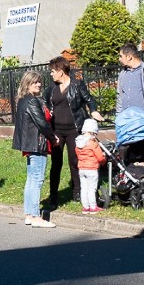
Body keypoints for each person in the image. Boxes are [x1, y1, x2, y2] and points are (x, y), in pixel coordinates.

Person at [44, 56, 104, 209]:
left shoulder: (77, 85)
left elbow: (89, 99)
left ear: (61, 71)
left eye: (53, 71)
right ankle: (53, 195)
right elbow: (44, 104)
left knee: (75, 162)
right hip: (56, 131)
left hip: (74, 130)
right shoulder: (51, 88)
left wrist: (94, 111)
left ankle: (77, 192)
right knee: (56, 164)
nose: (51, 74)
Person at [12, 71, 60, 228]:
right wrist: (53, 138)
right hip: (37, 144)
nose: (39, 84)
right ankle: (35, 216)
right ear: (27, 84)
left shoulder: (23, 100)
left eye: (39, 82)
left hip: (28, 144)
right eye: (35, 82)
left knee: (31, 179)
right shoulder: (32, 101)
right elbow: (41, 123)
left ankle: (28, 214)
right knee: (37, 179)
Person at [117, 42, 144, 120]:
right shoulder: (122, 74)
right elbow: (120, 96)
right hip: (126, 120)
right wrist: (118, 117)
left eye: (121, 56)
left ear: (129, 57)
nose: (119, 59)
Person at [75, 118, 106, 214]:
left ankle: (85, 207)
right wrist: (104, 160)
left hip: (81, 168)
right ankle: (93, 207)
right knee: (92, 189)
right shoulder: (93, 143)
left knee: (83, 188)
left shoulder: (78, 142)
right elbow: (100, 157)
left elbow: (77, 154)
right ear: (93, 132)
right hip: (92, 169)